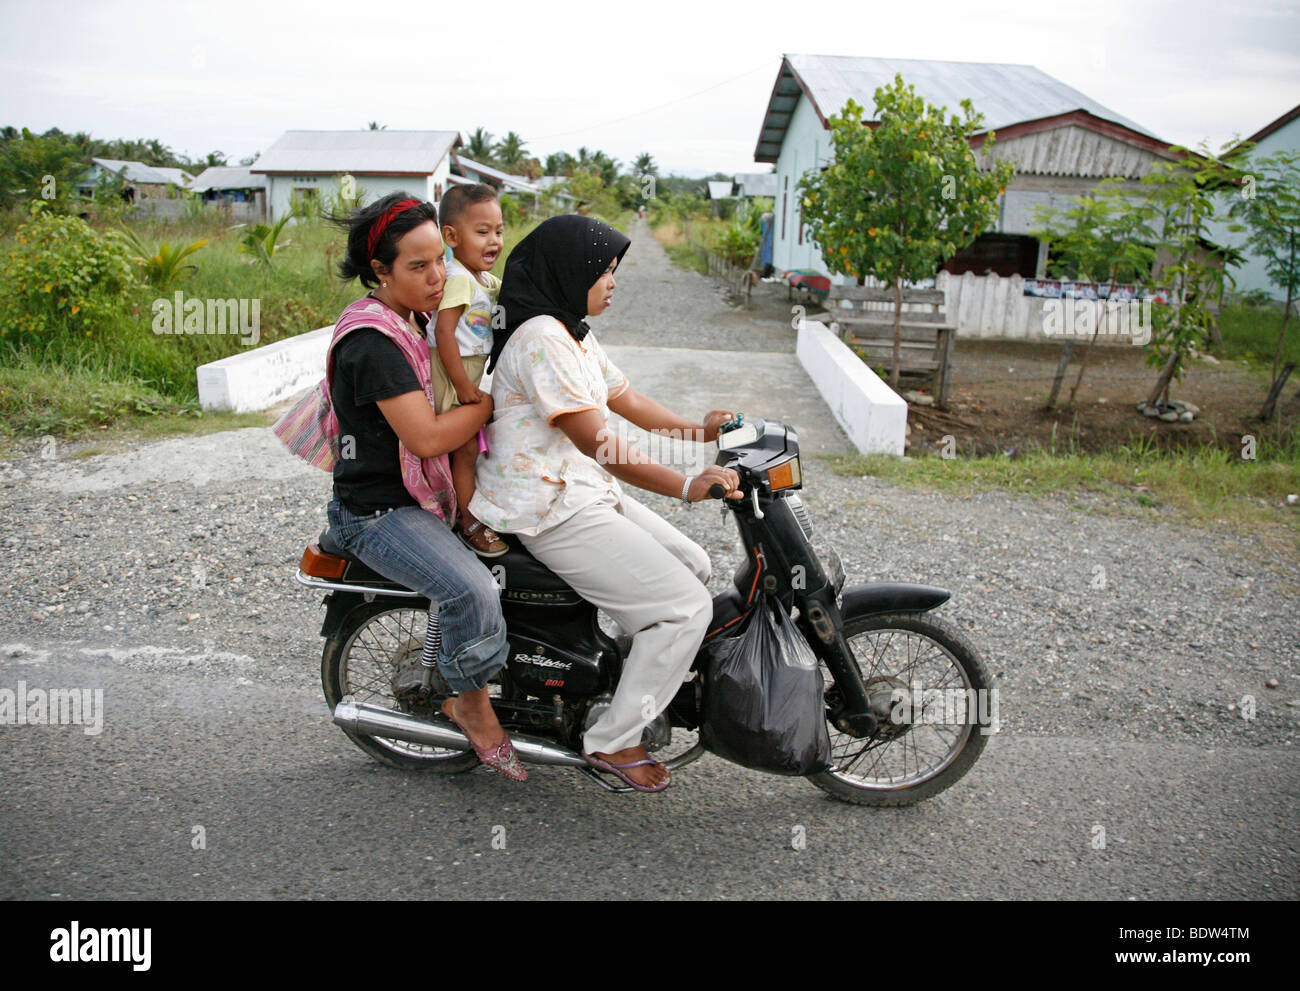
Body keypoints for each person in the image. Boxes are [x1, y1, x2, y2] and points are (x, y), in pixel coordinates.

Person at [470, 215, 742, 792]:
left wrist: (701, 433)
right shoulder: (541, 336)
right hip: (546, 504)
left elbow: (628, 399)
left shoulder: (574, 330)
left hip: (579, 488)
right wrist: (687, 486)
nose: (613, 282)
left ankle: (621, 677)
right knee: (685, 608)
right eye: (606, 270)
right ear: (571, 272)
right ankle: (614, 741)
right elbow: (598, 440)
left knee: (696, 566)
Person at [320, 191, 525, 781]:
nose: (438, 276)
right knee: (473, 592)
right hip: (378, 513)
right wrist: (487, 406)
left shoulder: (417, 317)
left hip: (414, 497)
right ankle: (471, 705)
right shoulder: (373, 343)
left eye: (440, 260)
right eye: (418, 266)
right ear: (379, 270)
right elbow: (430, 437)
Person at [429, 183, 508, 557]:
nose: (493, 240)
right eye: (482, 232)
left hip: (467, 372)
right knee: (462, 451)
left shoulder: (483, 280)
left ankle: (462, 511)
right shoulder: (458, 276)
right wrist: (461, 385)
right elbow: (444, 331)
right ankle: (467, 520)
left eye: (499, 230)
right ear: (451, 236)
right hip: (451, 373)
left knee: (468, 451)